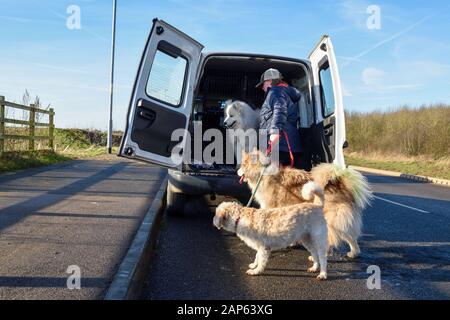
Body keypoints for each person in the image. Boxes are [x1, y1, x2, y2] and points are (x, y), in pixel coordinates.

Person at [255, 68, 303, 169]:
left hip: (281, 147)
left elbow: (280, 109)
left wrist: (274, 132)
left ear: (269, 82)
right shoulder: (284, 92)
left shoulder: (275, 91)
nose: (262, 88)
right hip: (286, 146)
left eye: (262, 85)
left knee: (274, 181)